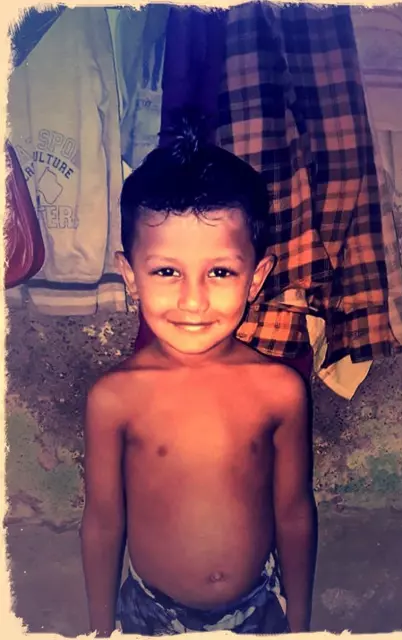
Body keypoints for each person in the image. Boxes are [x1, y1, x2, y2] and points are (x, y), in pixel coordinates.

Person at [80, 115, 318, 637]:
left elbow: (294, 511)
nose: (193, 300)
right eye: (167, 271)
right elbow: (102, 521)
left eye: (220, 272)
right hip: (149, 612)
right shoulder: (114, 398)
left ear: (255, 278)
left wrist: (300, 623)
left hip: (258, 608)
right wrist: (100, 629)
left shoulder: (280, 390)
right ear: (130, 276)